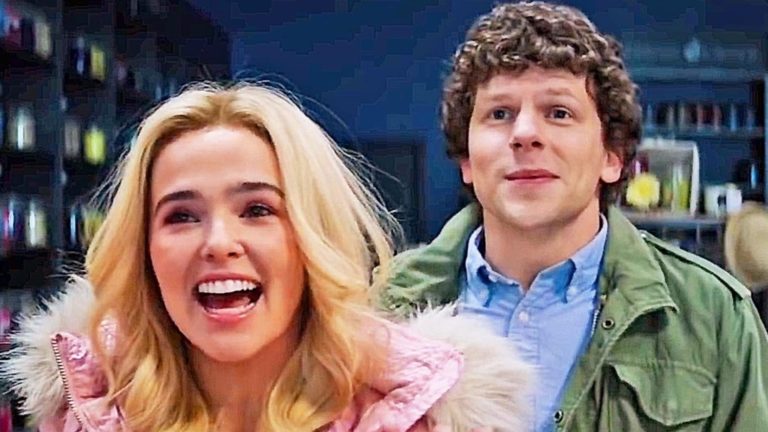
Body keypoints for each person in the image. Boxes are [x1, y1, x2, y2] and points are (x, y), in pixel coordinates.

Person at [1, 83, 532, 431]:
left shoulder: (430, 418)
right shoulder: (84, 412)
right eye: (181, 216)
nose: (218, 242)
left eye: (257, 210)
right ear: (144, 251)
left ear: (311, 239)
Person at [378, 2, 768, 431]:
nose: (525, 134)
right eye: (499, 114)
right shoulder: (377, 306)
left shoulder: (714, 315)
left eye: (559, 113)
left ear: (612, 156)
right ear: (466, 159)